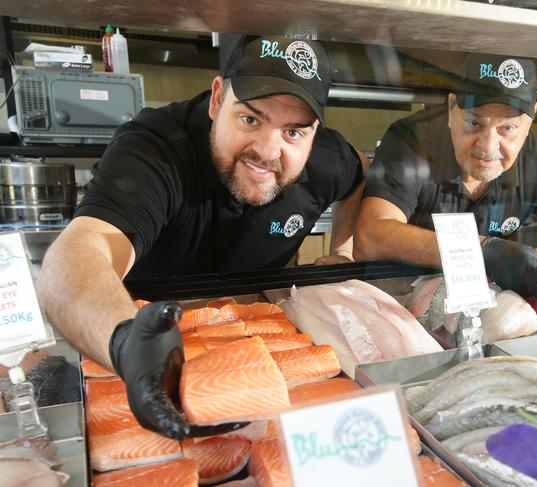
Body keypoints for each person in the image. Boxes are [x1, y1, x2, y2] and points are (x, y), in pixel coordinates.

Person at [36, 34, 369, 439]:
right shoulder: (155, 150)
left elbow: (357, 173)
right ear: (216, 100)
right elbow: (76, 255)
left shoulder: (326, 157)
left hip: (261, 333)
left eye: (294, 133)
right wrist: (125, 343)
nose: (267, 150)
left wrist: (344, 250)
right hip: (145, 340)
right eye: (250, 119)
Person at [354, 53, 537, 299]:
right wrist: (487, 251)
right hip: (404, 295)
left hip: (489, 301)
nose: (488, 146)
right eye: (474, 122)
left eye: (507, 129)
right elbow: (370, 236)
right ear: (452, 109)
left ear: (530, 121)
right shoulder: (412, 142)